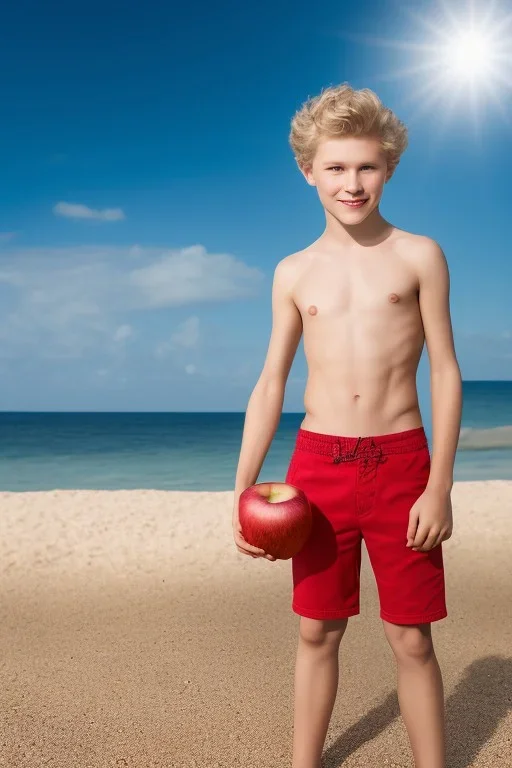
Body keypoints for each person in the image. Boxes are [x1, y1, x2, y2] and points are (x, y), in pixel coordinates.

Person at [232, 83, 462, 768]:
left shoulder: (420, 255)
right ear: (308, 170)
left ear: (388, 166)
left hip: (402, 463)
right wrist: (243, 492)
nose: (352, 183)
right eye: (335, 168)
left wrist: (439, 486)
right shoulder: (293, 272)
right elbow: (271, 381)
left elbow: (444, 372)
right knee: (316, 630)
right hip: (319, 468)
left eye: (366, 166)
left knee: (412, 638)